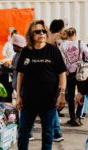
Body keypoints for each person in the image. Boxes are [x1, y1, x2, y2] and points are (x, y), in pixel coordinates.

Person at [16, 20, 67, 150]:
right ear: (31, 35)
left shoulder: (53, 51)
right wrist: (18, 96)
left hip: (49, 100)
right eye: (38, 31)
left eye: (44, 31)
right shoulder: (26, 51)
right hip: (28, 100)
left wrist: (61, 94)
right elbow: (20, 75)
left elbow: (62, 74)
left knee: (48, 134)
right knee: (23, 132)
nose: (42, 34)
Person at [60, 27, 88, 126]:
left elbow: (62, 60)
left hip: (69, 73)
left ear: (67, 34)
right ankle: (78, 117)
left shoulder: (63, 45)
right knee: (81, 94)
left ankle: (72, 118)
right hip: (80, 72)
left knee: (71, 96)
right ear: (75, 34)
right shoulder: (80, 43)